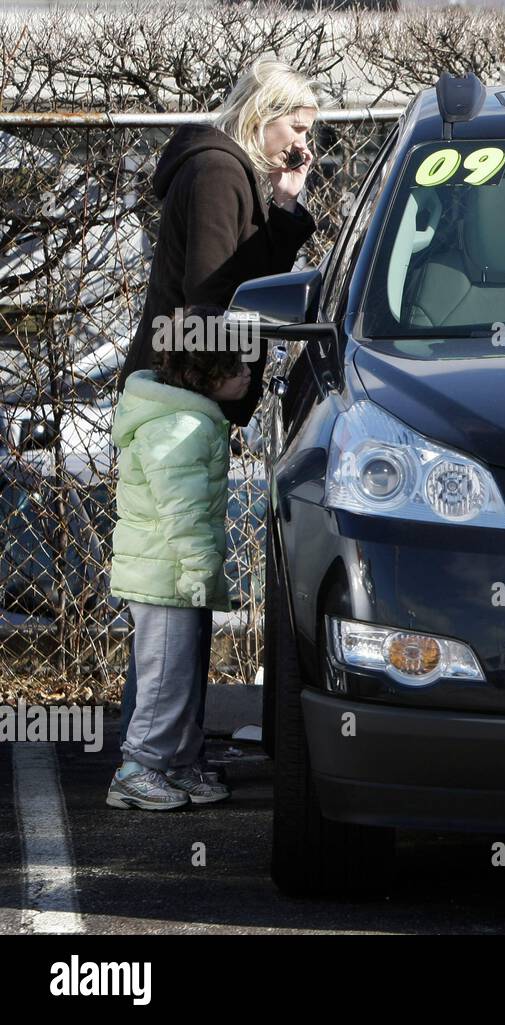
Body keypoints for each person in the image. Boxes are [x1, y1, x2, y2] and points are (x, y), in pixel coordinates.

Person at [114, 55, 323, 756]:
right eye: (295, 129)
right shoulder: (217, 174)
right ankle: (151, 758)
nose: (303, 145)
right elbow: (212, 299)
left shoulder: (230, 173)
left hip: (184, 397)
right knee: (175, 587)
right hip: (181, 398)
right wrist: (227, 379)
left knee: (179, 587)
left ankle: (171, 751)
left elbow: (241, 279)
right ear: (262, 116)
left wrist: (288, 204)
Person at [108, 311, 251, 809]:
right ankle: (138, 768)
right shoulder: (181, 426)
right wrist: (198, 569)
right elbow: (183, 512)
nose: (248, 373)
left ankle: (179, 762)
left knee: (184, 676)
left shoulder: (189, 420)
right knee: (166, 675)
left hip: (173, 574)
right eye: (238, 366)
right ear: (206, 375)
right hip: (166, 575)